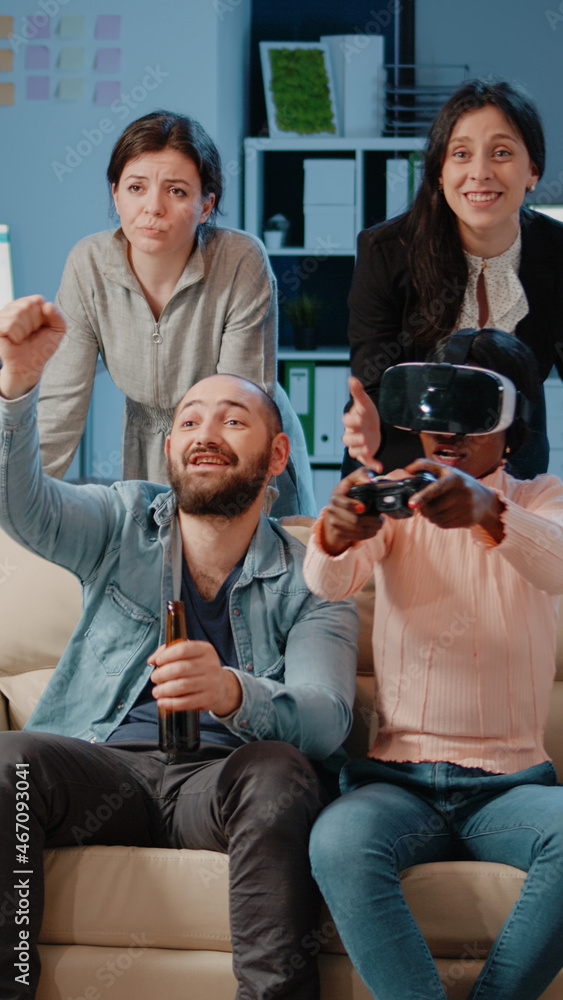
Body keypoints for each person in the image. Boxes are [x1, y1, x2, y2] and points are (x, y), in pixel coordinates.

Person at [0, 295, 358, 1000]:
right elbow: (21, 505)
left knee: (281, 770)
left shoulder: (314, 575)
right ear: (169, 450)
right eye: (189, 420)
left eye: (233, 419)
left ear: (277, 453)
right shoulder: (121, 520)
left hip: (218, 786)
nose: (205, 432)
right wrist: (14, 387)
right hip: (107, 769)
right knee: (10, 761)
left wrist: (231, 691)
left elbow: (325, 719)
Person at [304, 328, 563, 1000]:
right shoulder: (392, 498)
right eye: (433, 411)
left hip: (510, 786)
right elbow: (327, 584)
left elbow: (556, 561)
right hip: (399, 781)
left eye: (469, 413)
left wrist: (488, 510)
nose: (445, 433)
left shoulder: (541, 500)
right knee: (336, 840)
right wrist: (332, 535)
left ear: (510, 430)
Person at [36, 109, 316, 517]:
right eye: (136, 187)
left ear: (206, 206)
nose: (153, 207)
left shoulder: (240, 261)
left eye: (177, 191)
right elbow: (58, 411)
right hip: (149, 448)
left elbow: (238, 409)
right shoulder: (88, 265)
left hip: (243, 450)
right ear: (115, 194)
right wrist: (14, 506)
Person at [345, 78, 563, 480]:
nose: (480, 173)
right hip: (406, 469)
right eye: (461, 154)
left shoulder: (557, 251)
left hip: (514, 480)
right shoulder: (386, 251)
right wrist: (367, 419)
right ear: (440, 173)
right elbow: (373, 386)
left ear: (532, 170)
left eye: (501, 153)